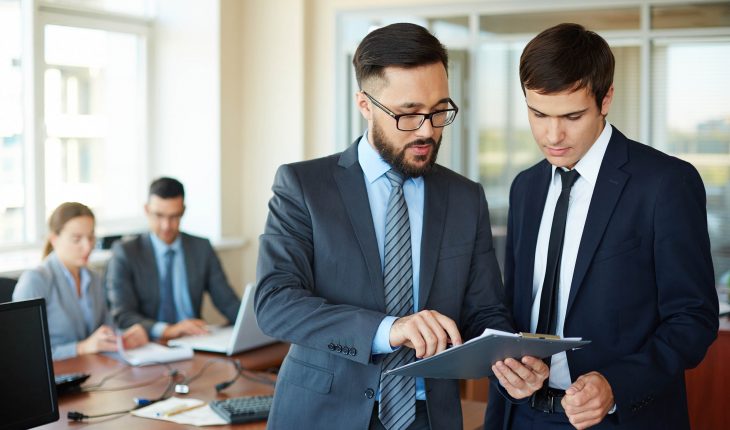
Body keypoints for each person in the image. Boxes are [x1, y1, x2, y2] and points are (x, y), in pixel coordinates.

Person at [255, 23, 547, 430]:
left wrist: (508, 358)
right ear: (365, 104)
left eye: (439, 110)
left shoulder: (466, 197)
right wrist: (389, 329)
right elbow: (275, 303)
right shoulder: (304, 186)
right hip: (323, 415)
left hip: (431, 417)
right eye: (408, 113)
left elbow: (484, 310)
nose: (428, 129)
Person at [484, 23, 718, 430]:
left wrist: (616, 385)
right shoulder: (526, 187)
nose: (552, 134)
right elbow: (515, 305)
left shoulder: (666, 183)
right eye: (538, 114)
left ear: (606, 98)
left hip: (619, 419)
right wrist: (508, 362)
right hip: (520, 416)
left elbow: (693, 319)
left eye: (572, 116)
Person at [106, 177, 240, 340]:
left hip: (194, 341)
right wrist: (168, 330)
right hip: (151, 343)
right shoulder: (126, 252)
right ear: (146, 210)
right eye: (159, 215)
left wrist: (252, 327)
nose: (166, 226)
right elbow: (123, 315)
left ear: (183, 211)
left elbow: (228, 302)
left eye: (174, 216)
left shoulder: (201, 248)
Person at [13, 202, 148, 360]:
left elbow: (106, 329)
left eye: (91, 237)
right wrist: (81, 348)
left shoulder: (94, 278)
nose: (88, 246)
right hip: (56, 377)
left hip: (91, 371)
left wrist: (124, 337)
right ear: (54, 239)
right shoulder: (35, 281)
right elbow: (24, 353)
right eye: (77, 239)